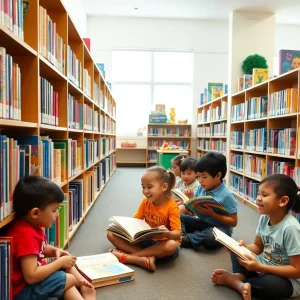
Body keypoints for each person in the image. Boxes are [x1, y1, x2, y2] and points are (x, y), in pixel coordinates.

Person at [211, 174, 300, 300]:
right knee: (240, 253)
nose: (258, 198)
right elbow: (258, 246)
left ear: (283, 201)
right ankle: (240, 279)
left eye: (264, 195)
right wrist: (242, 248)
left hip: (286, 279)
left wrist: (261, 267)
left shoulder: (291, 229)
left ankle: (236, 281)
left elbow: (297, 270)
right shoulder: (264, 217)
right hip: (261, 266)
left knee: (272, 285)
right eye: (258, 194)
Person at [7, 175, 96, 300]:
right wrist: (59, 262)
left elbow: (38, 247)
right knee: (67, 278)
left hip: (32, 281)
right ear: (35, 213)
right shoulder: (25, 234)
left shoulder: (32, 226)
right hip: (23, 291)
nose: (57, 214)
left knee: (65, 265)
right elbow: (31, 276)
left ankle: (82, 284)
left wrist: (54, 251)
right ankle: (81, 286)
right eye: (54, 210)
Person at [107, 166, 181, 272]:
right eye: (143, 187)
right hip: (148, 240)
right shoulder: (145, 202)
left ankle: (131, 257)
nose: (145, 191)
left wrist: (165, 234)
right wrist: (126, 228)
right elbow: (136, 220)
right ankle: (144, 257)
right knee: (111, 233)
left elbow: (177, 235)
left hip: (163, 243)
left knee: (172, 245)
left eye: (149, 187)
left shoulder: (172, 207)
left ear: (164, 187)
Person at [180, 151, 238, 249]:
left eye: (204, 177)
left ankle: (188, 239)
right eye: (198, 177)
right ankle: (182, 235)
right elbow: (195, 212)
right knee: (179, 216)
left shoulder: (227, 195)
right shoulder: (201, 188)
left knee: (210, 237)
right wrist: (190, 201)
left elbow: (233, 221)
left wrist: (213, 214)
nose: (200, 180)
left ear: (218, 176)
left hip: (220, 228)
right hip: (203, 222)